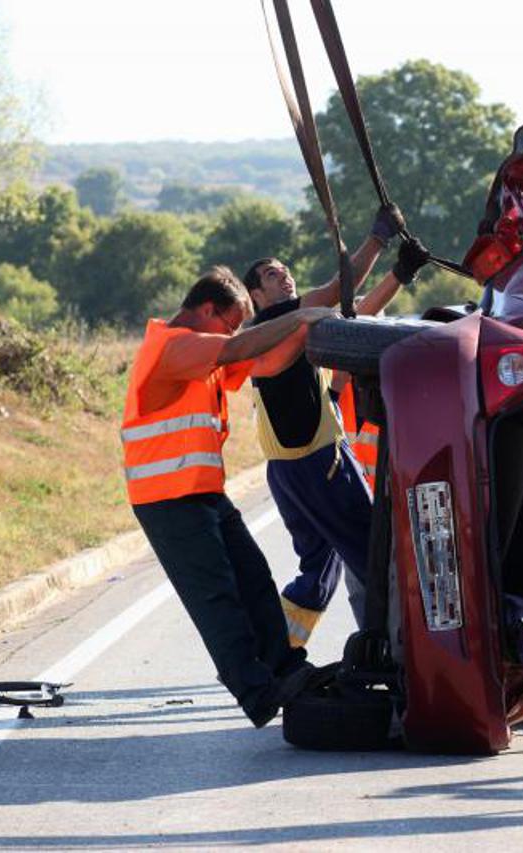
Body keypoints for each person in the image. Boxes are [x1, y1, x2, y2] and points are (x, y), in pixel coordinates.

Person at [121, 266, 337, 727]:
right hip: (167, 500)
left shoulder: (204, 354)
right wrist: (302, 316)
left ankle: (286, 669)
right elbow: (241, 347)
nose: (235, 331)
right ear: (205, 309)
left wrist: (315, 325)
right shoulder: (173, 347)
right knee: (217, 599)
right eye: (231, 321)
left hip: (202, 493)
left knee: (255, 578)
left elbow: (268, 361)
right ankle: (257, 694)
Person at [242, 212, 429, 648]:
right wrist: (379, 237)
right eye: (273, 275)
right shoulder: (280, 319)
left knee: (319, 569)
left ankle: (276, 652)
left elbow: (354, 317)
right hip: (318, 464)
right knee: (372, 555)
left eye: (286, 272)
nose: (284, 278)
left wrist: (399, 275)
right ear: (256, 294)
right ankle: (403, 650)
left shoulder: (272, 332)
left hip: (288, 473)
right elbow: (337, 292)